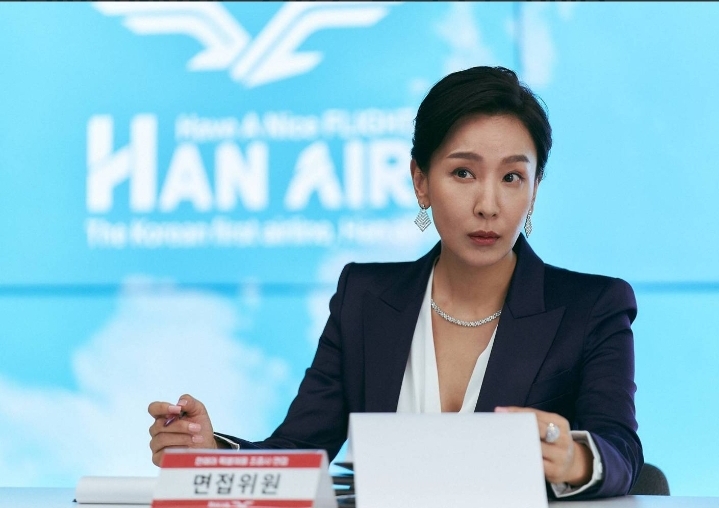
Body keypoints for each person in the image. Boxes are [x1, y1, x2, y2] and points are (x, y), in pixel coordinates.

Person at [148, 66, 642, 499]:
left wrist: (576, 459)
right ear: (420, 181)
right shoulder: (364, 298)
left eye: (512, 177)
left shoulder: (593, 306)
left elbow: (620, 450)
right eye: (463, 173)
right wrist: (209, 451)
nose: (488, 205)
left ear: (534, 190)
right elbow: (298, 450)